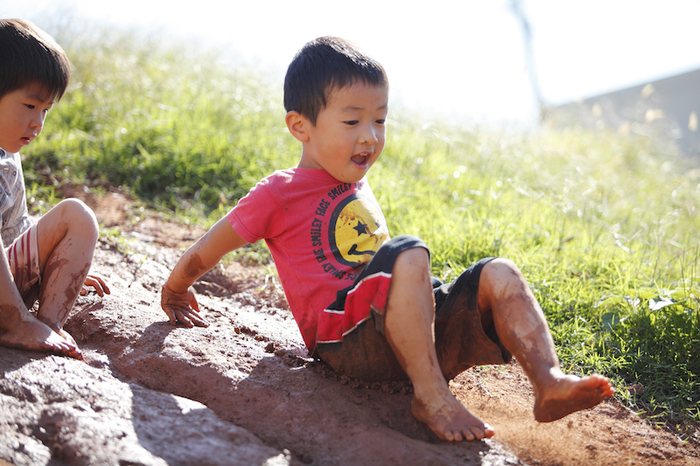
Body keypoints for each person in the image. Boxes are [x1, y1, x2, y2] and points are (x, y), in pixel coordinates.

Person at [161, 36, 614, 442]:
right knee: (409, 252)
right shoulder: (277, 194)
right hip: (345, 340)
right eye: (353, 121)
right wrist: (176, 287)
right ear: (301, 127)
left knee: (498, 272)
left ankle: (548, 381)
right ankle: (432, 398)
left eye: (380, 120)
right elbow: (211, 245)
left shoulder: (352, 177)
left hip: (405, 330)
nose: (371, 137)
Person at [0, 19, 109, 360]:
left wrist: (55, 265)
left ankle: (46, 325)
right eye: (30, 106)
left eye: (46, 110)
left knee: (77, 217)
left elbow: (13, 231)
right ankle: (16, 323)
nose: (38, 123)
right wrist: (15, 317)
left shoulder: (7, 155)